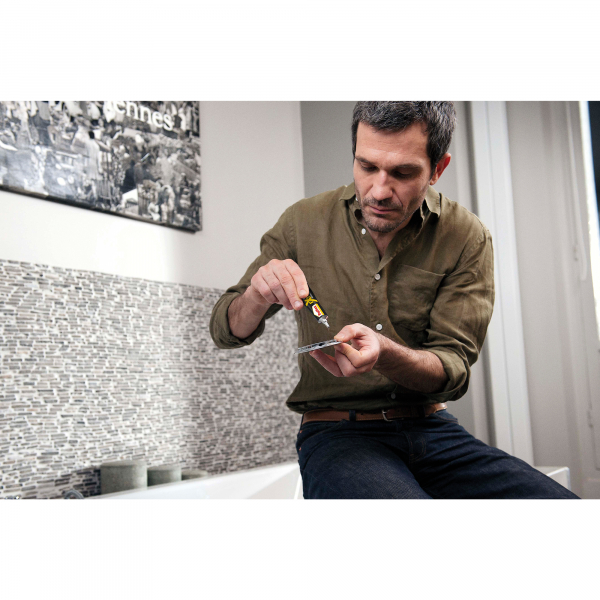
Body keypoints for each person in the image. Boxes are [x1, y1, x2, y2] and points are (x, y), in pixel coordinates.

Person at [209, 101, 579, 499]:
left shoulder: (466, 237)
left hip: (434, 430)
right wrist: (256, 295)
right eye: (367, 166)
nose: (379, 191)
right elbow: (225, 331)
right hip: (337, 434)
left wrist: (385, 354)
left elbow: (452, 370)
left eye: (403, 173)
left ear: (438, 169)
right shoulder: (302, 222)